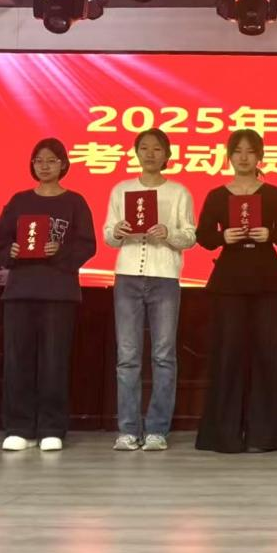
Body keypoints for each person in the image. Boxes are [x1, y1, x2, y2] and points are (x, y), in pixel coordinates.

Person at [194, 129, 277, 453]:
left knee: (269, 354)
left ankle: (267, 435)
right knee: (228, 355)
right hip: (229, 283)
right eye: (237, 151)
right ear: (229, 156)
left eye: (250, 151)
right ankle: (225, 435)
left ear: (260, 156)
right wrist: (222, 237)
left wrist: (270, 233)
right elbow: (203, 236)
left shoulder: (274, 193)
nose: (243, 157)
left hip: (267, 282)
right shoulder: (217, 195)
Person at [0, 139, 96, 452]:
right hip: (20, 292)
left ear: (63, 164)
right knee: (17, 361)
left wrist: (59, 251)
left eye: (51, 160)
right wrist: (10, 252)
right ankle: (18, 427)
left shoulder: (75, 202)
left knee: (54, 362)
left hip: (59, 294)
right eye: (38, 160)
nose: (44, 165)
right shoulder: (19, 201)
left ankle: (52, 427)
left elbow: (87, 244)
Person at [103, 129, 197, 451]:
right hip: (127, 277)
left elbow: (190, 237)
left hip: (165, 277)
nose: (150, 154)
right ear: (136, 153)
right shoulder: (121, 189)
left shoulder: (179, 192)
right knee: (128, 357)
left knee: (163, 355)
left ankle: (157, 429)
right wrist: (118, 231)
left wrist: (168, 233)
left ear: (167, 154)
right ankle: (128, 430)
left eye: (157, 149)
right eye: (144, 148)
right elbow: (108, 236)